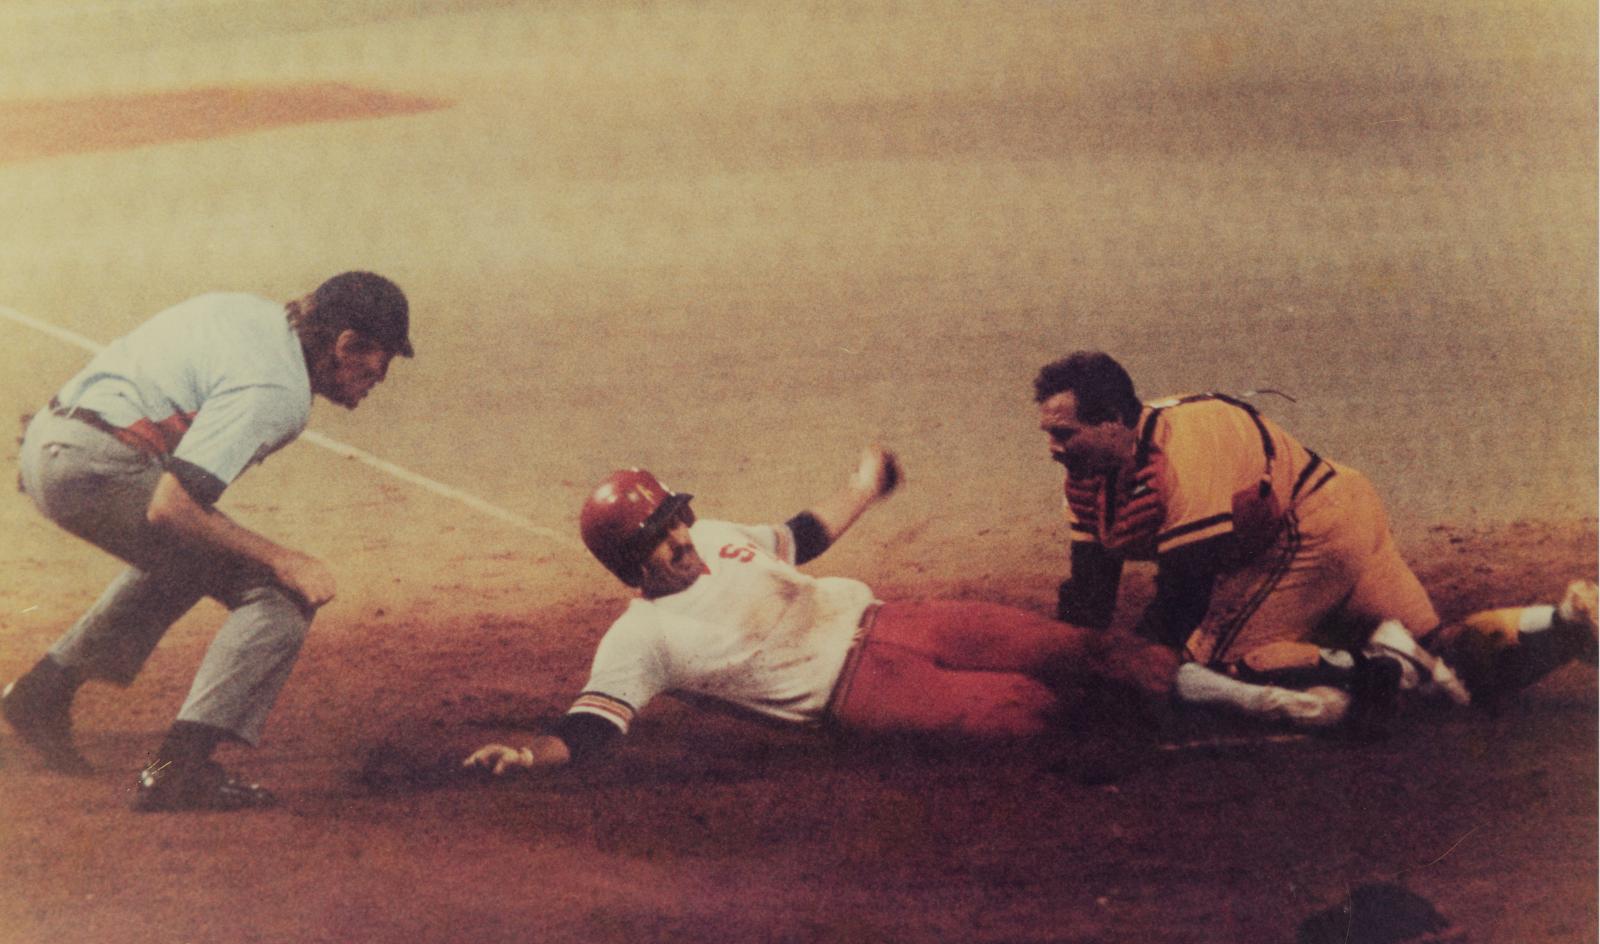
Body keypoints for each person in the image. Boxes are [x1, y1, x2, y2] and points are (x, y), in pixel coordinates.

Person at [464, 447, 1177, 777]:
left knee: (1080, 647)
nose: (682, 539)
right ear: (629, 563)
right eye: (658, 537)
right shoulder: (639, 639)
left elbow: (801, 535)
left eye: (676, 520)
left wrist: (863, 485)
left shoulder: (715, 534)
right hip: (858, 691)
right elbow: (588, 727)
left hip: (895, 619)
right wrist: (529, 753)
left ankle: (1218, 691)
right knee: (1025, 709)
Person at [4, 272, 413, 810]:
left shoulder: (252, 313)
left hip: (51, 443)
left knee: (190, 560)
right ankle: (177, 770)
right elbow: (172, 506)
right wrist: (282, 559)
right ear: (346, 345)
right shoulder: (278, 392)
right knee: (277, 595)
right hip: (93, 464)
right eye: (382, 357)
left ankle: (42, 693)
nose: (381, 375)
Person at [1033, 350, 1597, 734]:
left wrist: (1131, 670)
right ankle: (1562, 622)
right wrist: (1073, 662)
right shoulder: (1090, 473)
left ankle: (1383, 665)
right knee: (1445, 658)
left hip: (1306, 536)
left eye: (1064, 432)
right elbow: (1090, 585)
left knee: (1218, 665)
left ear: (1111, 420)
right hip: (1340, 507)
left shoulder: (1184, 449)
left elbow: (1186, 589)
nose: (1054, 447)